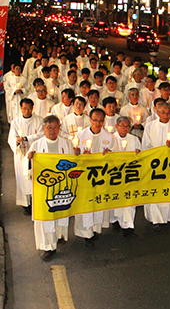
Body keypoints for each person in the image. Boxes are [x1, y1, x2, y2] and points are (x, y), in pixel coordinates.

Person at [27, 116, 74, 260]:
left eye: (54, 127)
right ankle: (48, 246)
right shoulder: (36, 145)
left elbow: (73, 163)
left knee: (61, 212)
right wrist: (30, 159)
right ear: (43, 129)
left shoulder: (67, 144)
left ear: (59, 128)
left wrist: (77, 155)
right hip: (44, 189)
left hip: (61, 186)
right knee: (46, 217)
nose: (52, 130)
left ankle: (60, 236)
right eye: (48, 127)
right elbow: (28, 169)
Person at [74, 108, 116, 246]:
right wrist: (80, 155)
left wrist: (110, 154)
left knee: (98, 202)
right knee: (86, 203)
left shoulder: (109, 137)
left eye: (100, 121)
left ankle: (96, 229)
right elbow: (73, 155)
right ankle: (87, 233)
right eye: (95, 120)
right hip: (85, 175)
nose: (98, 123)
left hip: (101, 175)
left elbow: (115, 156)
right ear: (90, 120)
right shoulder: (80, 135)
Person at [142, 102, 170, 231]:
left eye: (168, 113)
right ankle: (155, 219)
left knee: (167, 192)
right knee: (154, 192)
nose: (165, 115)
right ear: (157, 113)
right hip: (154, 164)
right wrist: (155, 155)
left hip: (169, 165)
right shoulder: (150, 126)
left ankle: (168, 217)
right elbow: (146, 144)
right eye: (163, 112)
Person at [8, 98, 43, 215]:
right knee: (22, 179)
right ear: (20, 108)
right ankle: (26, 204)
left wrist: (27, 138)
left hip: (35, 154)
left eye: (29, 109)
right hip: (21, 155)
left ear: (32, 108)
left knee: (34, 179)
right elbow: (11, 138)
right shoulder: (15, 122)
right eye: (24, 109)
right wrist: (17, 141)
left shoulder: (39, 120)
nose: (27, 111)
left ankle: (35, 203)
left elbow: (41, 135)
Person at [111, 116, 141, 236]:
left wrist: (138, 154)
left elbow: (140, 154)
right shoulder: (111, 139)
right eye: (122, 126)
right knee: (116, 200)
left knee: (129, 201)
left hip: (129, 174)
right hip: (115, 174)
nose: (125, 128)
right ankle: (115, 221)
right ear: (116, 126)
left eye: (127, 126)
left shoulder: (134, 139)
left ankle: (128, 226)